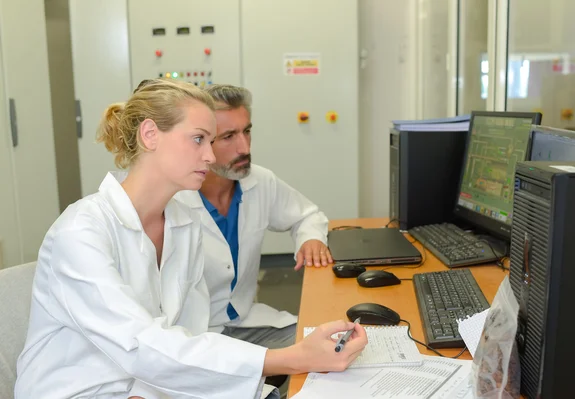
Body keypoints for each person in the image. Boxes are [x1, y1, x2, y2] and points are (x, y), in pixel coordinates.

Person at [15, 79, 367, 399]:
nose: (211, 156)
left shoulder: (180, 223)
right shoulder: (81, 231)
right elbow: (137, 345)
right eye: (199, 139)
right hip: (84, 389)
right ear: (150, 135)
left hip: (151, 383)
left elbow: (189, 330)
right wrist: (288, 359)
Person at [175, 85, 332, 358]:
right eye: (228, 137)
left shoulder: (259, 181)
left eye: (247, 131)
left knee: (330, 344)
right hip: (195, 339)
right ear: (199, 141)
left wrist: (311, 239)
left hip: (248, 324)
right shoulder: (173, 200)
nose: (244, 147)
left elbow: (307, 214)